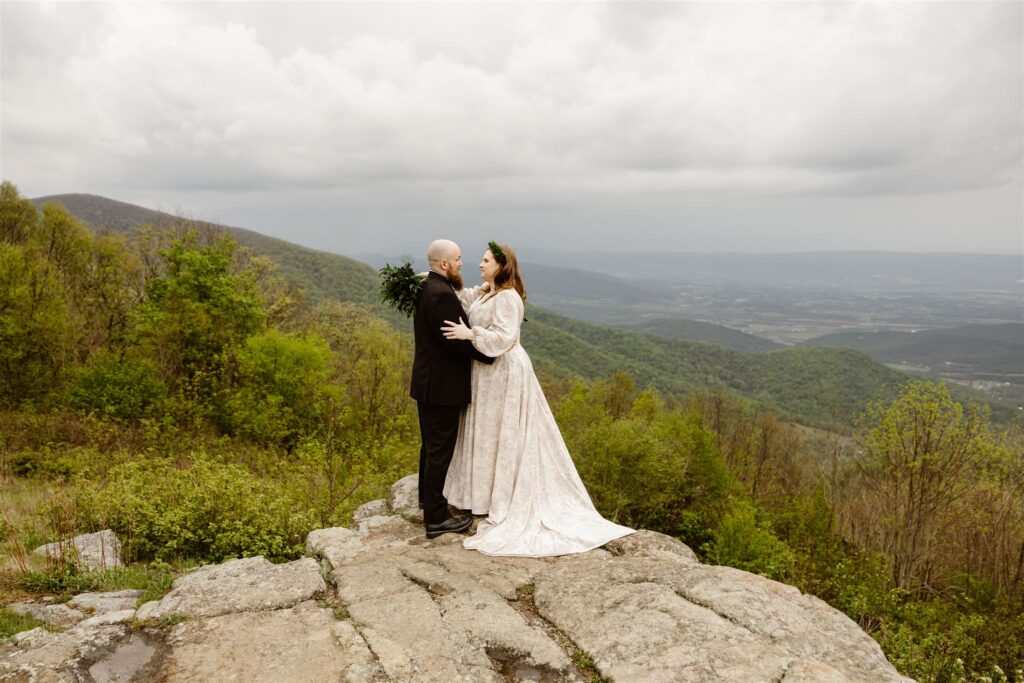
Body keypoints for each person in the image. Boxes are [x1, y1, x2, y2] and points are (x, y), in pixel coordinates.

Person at [441, 242, 634, 556]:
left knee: (505, 434)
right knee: (489, 433)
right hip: (487, 374)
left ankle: (501, 498)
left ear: (502, 266)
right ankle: (484, 496)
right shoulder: (488, 291)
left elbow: (504, 338)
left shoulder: (508, 298)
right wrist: (431, 277)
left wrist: (471, 335)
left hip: (504, 372)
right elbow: (465, 299)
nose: (480, 264)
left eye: (486, 260)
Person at [411, 239, 494, 539]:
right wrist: (492, 355)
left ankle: (426, 500)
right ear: (444, 264)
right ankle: (436, 519)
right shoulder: (442, 295)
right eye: (458, 259)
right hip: (442, 387)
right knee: (440, 451)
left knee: (430, 447)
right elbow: (457, 342)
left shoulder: (426, 287)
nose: (461, 263)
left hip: (427, 383)